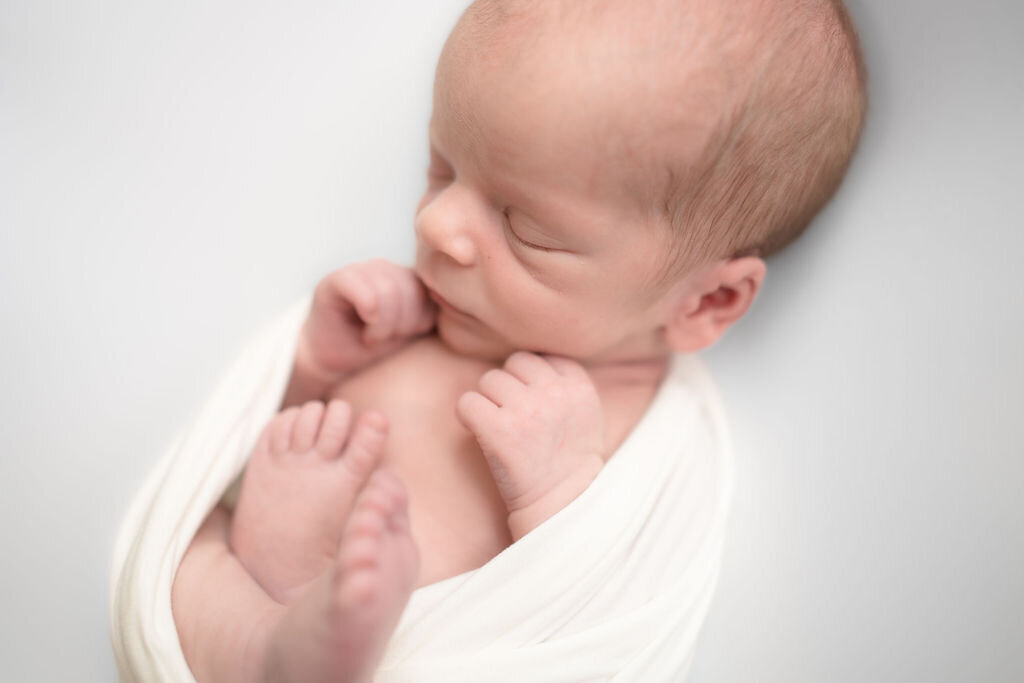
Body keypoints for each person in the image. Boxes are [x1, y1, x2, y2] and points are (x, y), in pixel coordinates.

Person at [170, 0, 867, 680]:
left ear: (706, 301)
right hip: (246, 582)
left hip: (420, 652)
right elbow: (230, 437)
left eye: (526, 228)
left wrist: (561, 496)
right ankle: (273, 618)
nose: (436, 224)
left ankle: (277, 649)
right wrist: (315, 364)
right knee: (186, 558)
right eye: (441, 167)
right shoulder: (425, 317)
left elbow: (599, 620)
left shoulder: (640, 432)